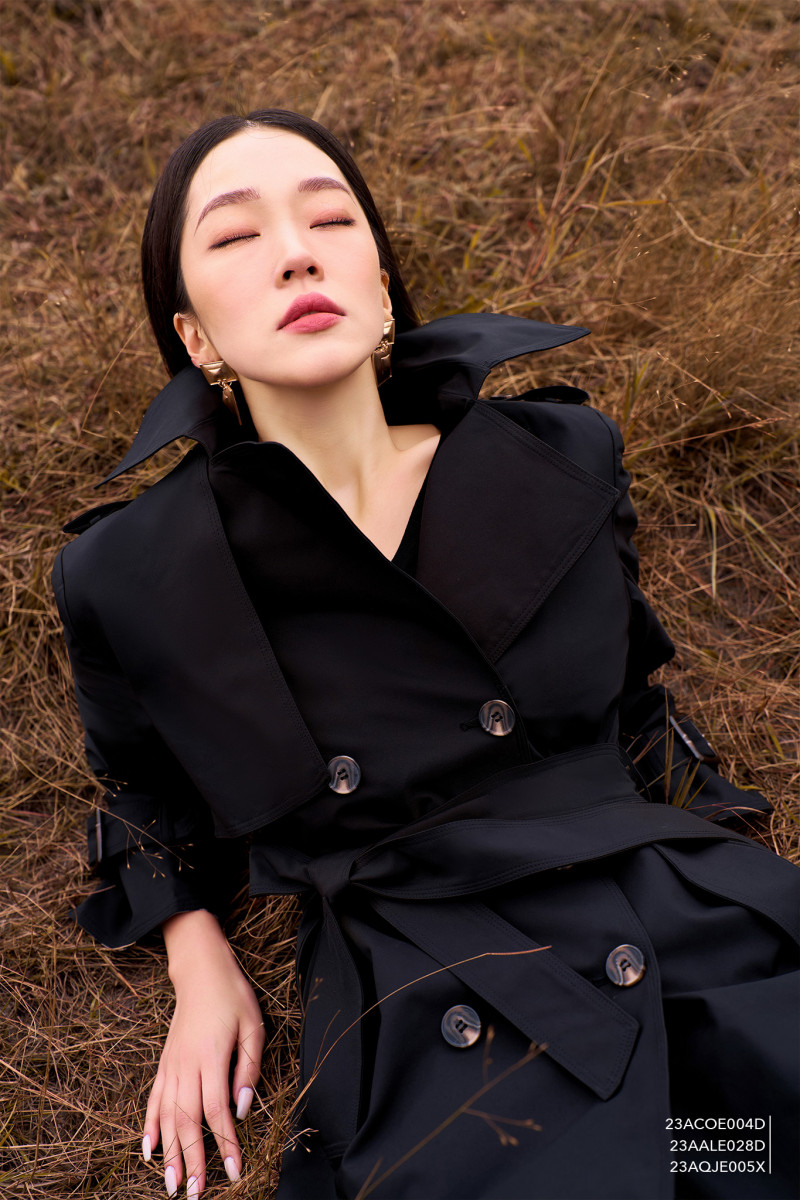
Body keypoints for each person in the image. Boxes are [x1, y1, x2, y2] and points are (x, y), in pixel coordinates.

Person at [53, 109, 799, 1200]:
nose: (295, 253)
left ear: (383, 282)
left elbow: (634, 699)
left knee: (748, 1154)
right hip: (444, 1002)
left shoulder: (559, 455)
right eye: (236, 236)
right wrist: (199, 964)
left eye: (330, 219)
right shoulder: (135, 572)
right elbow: (143, 791)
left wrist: (727, 842)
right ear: (195, 337)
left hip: (683, 927)